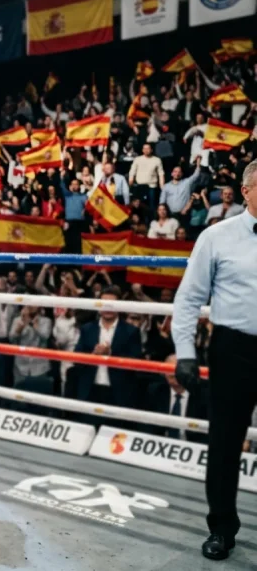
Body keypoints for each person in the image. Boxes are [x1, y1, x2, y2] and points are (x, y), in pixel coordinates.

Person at [172, 160, 257, 561]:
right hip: (233, 349)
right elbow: (189, 298)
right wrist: (186, 353)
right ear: (246, 190)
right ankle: (222, 528)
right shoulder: (215, 236)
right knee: (225, 443)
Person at [71, 286, 142, 410]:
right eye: (104, 304)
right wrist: (93, 355)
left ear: (119, 306)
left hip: (118, 394)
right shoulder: (87, 329)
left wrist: (111, 353)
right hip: (90, 391)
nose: (107, 308)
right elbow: (76, 358)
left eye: (112, 304)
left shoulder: (131, 331)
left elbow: (136, 362)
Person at [147, 353, 208, 444]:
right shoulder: (155, 391)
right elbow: (147, 427)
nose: (174, 373)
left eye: (179, 369)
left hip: (193, 446)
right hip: (160, 446)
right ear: (163, 372)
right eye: (170, 369)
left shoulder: (204, 395)